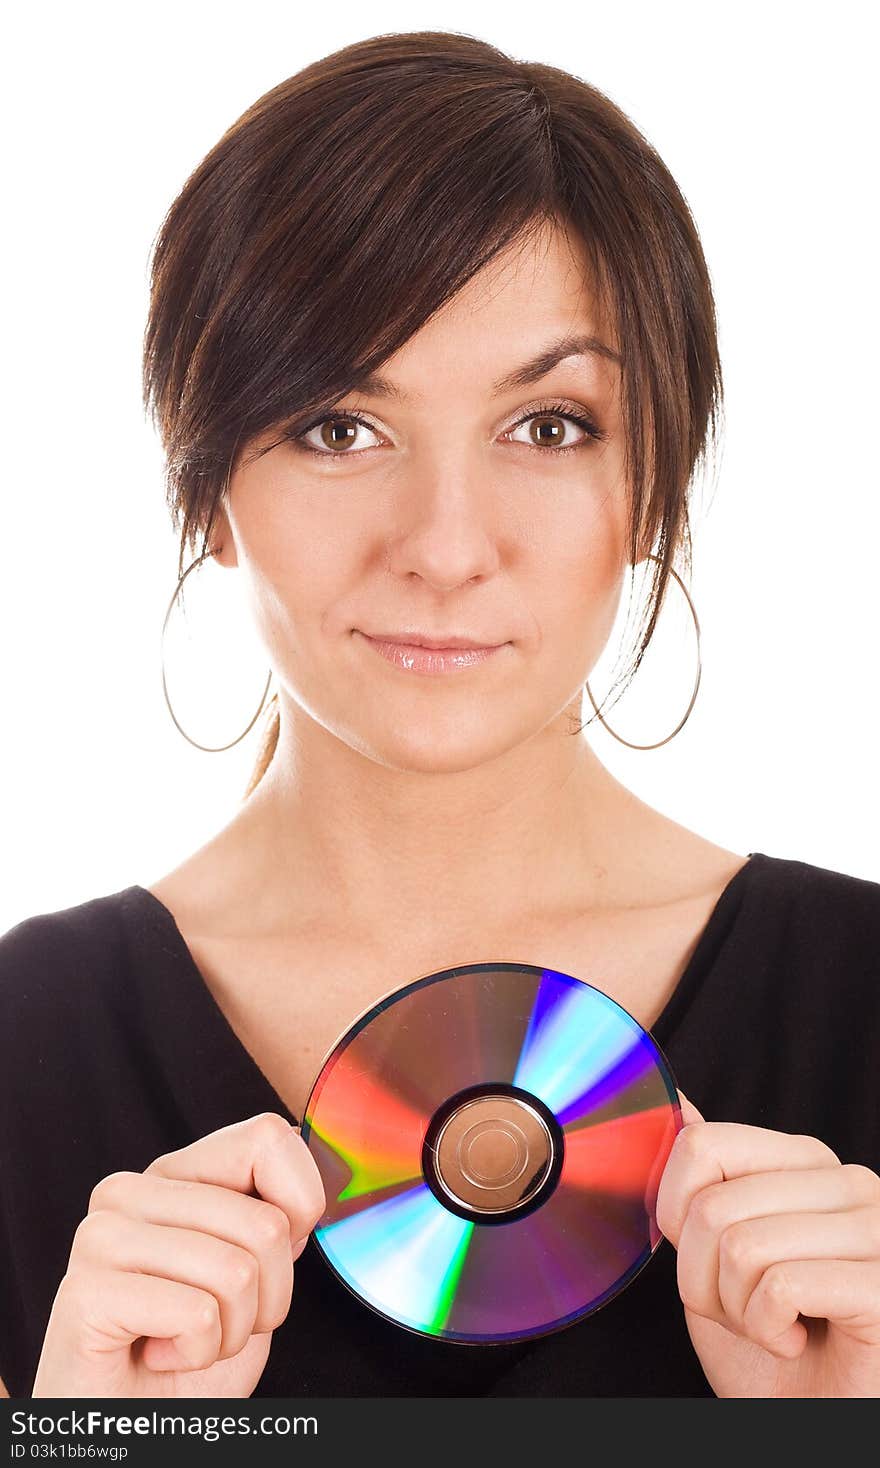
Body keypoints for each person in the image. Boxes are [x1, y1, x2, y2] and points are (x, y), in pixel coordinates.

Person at [1, 29, 878, 1401]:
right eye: (341, 425)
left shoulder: (863, 1000)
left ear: (658, 481)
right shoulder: (26, 1045)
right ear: (204, 480)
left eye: (549, 425)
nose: (446, 545)